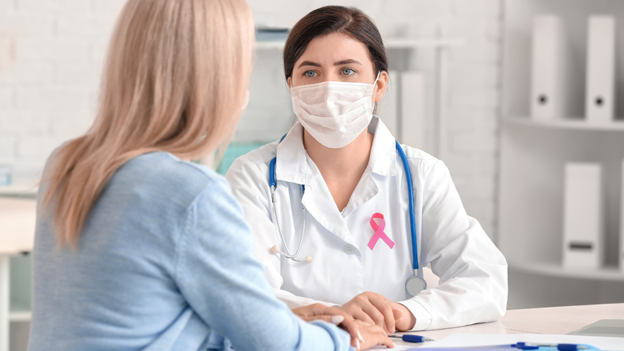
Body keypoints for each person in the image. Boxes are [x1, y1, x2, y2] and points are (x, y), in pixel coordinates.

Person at [27, 1, 393, 350]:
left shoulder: (66, 164)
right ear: (215, 79)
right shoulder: (189, 194)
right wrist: (347, 338)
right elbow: (278, 346)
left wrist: (281, 316)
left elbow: (144, 321)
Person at [225, 5, 508, 333]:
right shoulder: (253, 176)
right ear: (291, 85)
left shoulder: (421, 175)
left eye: (347, 71)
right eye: (311, 73)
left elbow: (486, 281)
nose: (329, 89)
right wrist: (335, 315)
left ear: (379, 85)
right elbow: (245, 293)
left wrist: (406, 313)